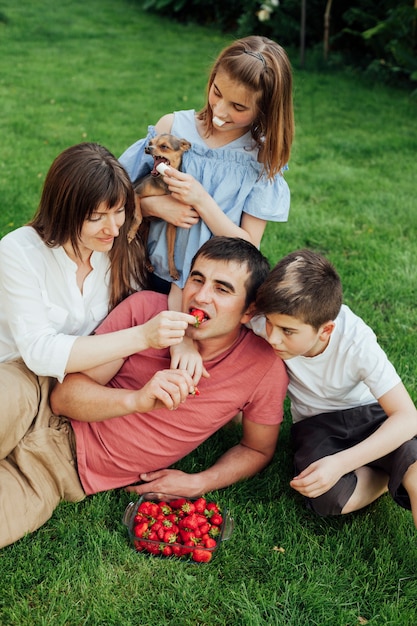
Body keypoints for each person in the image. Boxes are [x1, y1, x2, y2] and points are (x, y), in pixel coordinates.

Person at [0, 237, 288, 548]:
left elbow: (257, 449)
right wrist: (137, 400)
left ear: (249, 310)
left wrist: (197, 482)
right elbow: (63, 399)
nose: (201, 296)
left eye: (222, 289)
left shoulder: (264, 367)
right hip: (34, 395)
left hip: (62, 470)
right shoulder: (146, 309)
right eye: (197, 279)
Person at [0, 142, 196, 459]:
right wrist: (142, 336)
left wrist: (183, 342)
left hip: (85, 380)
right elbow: (39, 352)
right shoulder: (19, 251)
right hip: (18, 370)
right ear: (63, 211)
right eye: (96, 217)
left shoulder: (120, 250)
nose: (113, 228)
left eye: (119, 211)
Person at [119, 35, 294, 306]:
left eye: (238, 107)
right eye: (217, 92)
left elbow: (248, 248)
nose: (220, 111)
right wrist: (154, 206)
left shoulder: (259, 160)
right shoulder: (172, 128)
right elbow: (117, 192)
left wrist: (201, 200)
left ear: (265, 110)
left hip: (206, 295)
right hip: (144, 270)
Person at [252, 249, 417, 527]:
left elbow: (407, 415)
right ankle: (385, 474)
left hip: (369, 414)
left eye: (287, 331)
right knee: (324, 496)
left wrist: (341, 463)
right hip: (316, 425)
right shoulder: (268, 320)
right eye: (269, 323)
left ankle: (401, 470)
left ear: (325, 330)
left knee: (415, 473)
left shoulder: (356, 341)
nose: (273, 337)